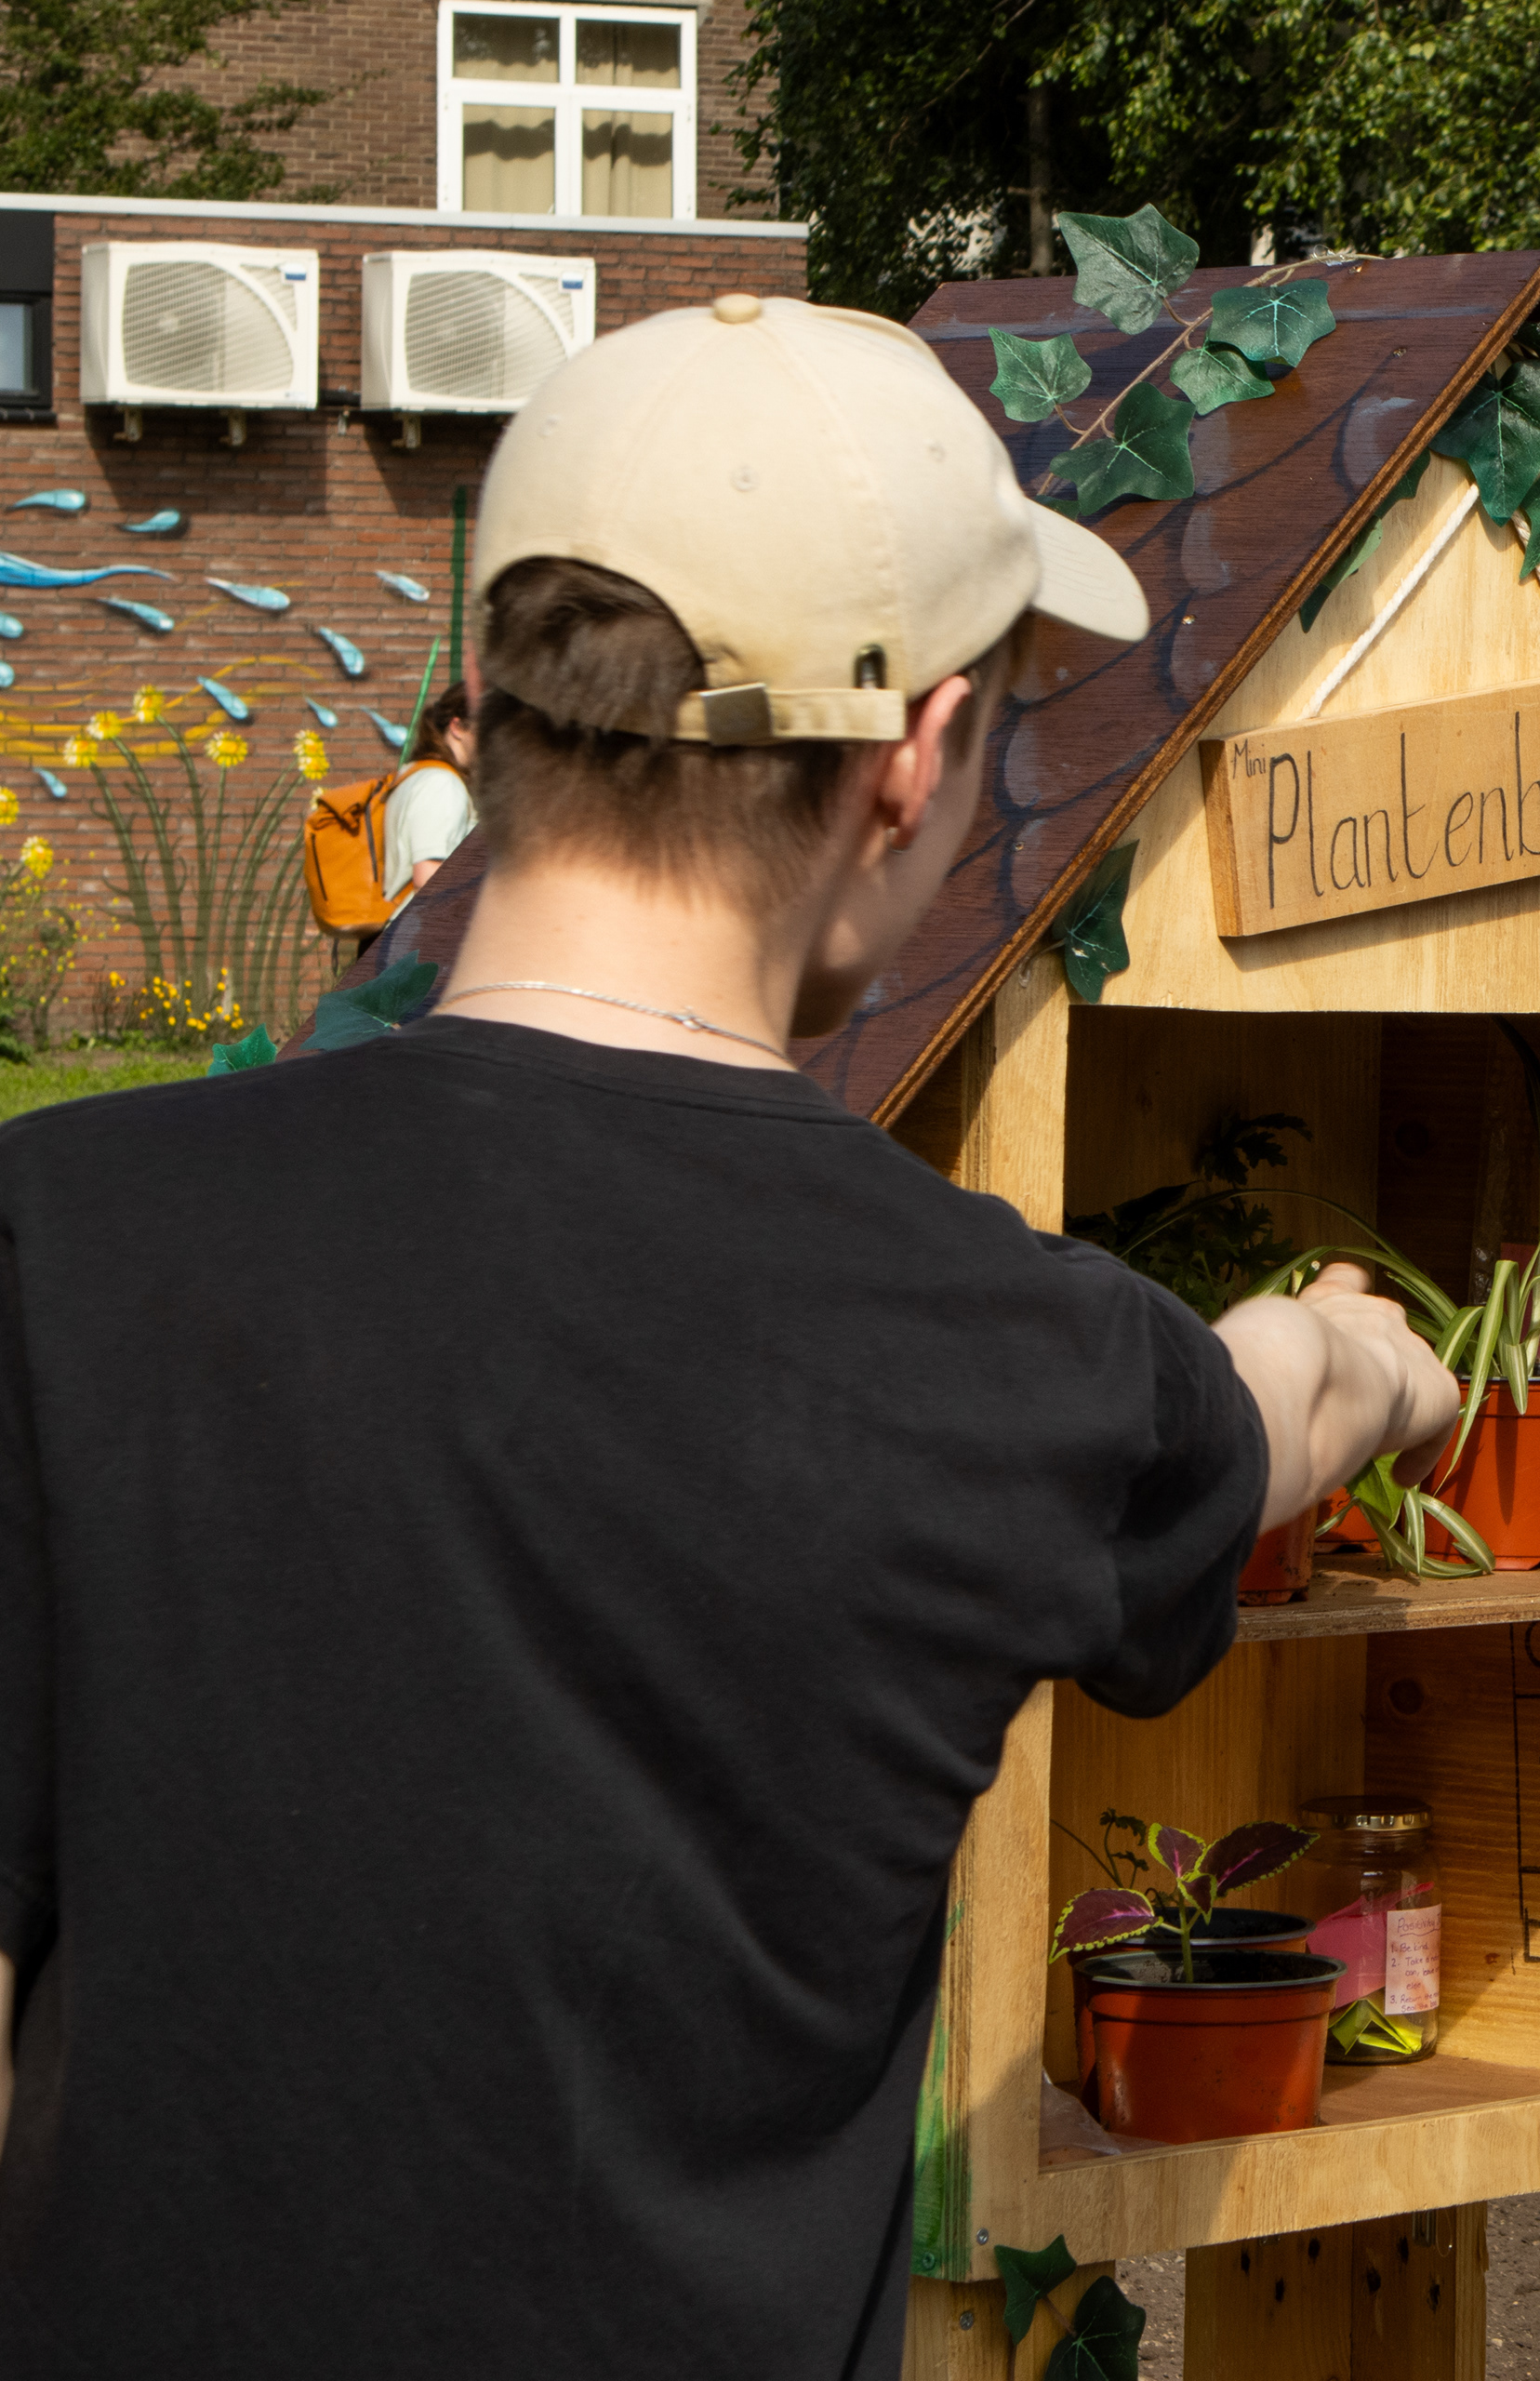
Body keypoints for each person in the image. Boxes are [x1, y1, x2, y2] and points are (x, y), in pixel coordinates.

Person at [0, 295, 1464, 2373]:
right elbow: (1272, 1407)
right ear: (914, 760)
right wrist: (1381, 1356)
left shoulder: (62, 1239)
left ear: (481, 707)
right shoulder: (1006, 1355)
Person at [380, 681, 476, 910]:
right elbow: (429, 881)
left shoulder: (415, 774)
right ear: (457, 727)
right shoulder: (441, 785)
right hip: (421, 929)